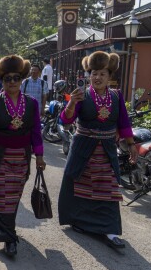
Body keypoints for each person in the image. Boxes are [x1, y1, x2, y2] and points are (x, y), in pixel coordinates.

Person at [58, 51, 137, 248]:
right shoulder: (81, 95)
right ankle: (79, 221)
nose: (97, 77)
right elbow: (65, 120)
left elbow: (124, 122)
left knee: (108, 187)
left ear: (110, 77)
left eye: (102, 74)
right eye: (94, 73)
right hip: (83, 146)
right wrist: (71, 103)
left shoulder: (116, 96)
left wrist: (131, 144)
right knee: (76, 180)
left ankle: (110, 230)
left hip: (107, 149)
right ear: (89, 75)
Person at [0, 55, 46, 257]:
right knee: (0, 196)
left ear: (22, 79)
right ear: (1, 81)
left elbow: (35, 133)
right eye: (7, 79)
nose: (12, 82)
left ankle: (5, 231)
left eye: (16, 78)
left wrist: (39, 156)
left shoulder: (31, 104)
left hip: (22, 156)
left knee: (12, 197)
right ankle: (9, 238)